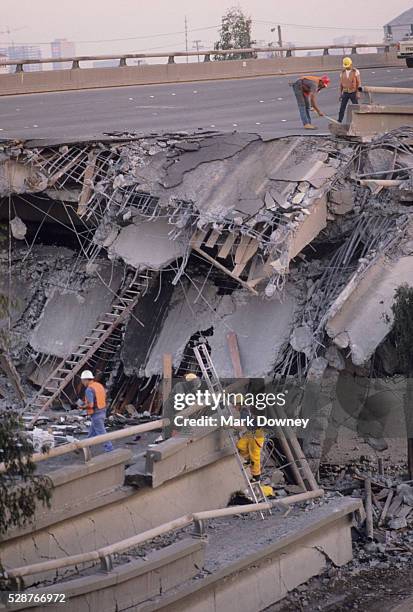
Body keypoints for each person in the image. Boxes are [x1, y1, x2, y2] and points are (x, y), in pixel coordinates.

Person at [77, 370, 113, 452]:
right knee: (92, 432)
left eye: (82, 381)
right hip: (102, 410)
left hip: (96, 413)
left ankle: (109, 449)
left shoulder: (89, 390)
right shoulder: (99, 385)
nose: (82, 383)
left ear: (86, 380)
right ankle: (86, 446)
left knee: (102, 433)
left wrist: (82, 407)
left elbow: (91, 405)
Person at [234, 395, 265, 482]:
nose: (234, 406)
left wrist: (230, 426)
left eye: (235, 404)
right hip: (251, 433)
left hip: (257, 435)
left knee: (255, 456)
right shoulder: (244, 410)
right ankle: (249, 460)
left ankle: (256, 477)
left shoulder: (244, 411)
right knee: (241, 445)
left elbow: (241, 426)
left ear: (239, 404)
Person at [338, 57, 361, 123]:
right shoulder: (342, 73)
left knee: (356, 107)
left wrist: (358, 93)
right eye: (345, 66)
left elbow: (359, 83)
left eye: (347, 65)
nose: (346, 67)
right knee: (342, 108)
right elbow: (341, 84)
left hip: (353, 92)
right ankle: (339, 121)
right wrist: (340, 94)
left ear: (351, 64)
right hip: (345, 93)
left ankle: (359, 121)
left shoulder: (355, 71)